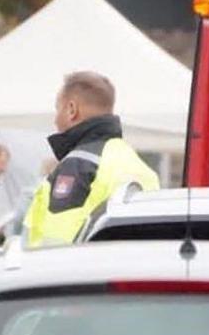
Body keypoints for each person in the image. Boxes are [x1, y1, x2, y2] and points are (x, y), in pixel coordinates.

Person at [22, 71, 160, 246]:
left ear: (71, 109)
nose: (55, 119)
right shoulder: (139, 166)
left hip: (70, 272)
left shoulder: (79, 165)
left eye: (58, 109)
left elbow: (55, 246)